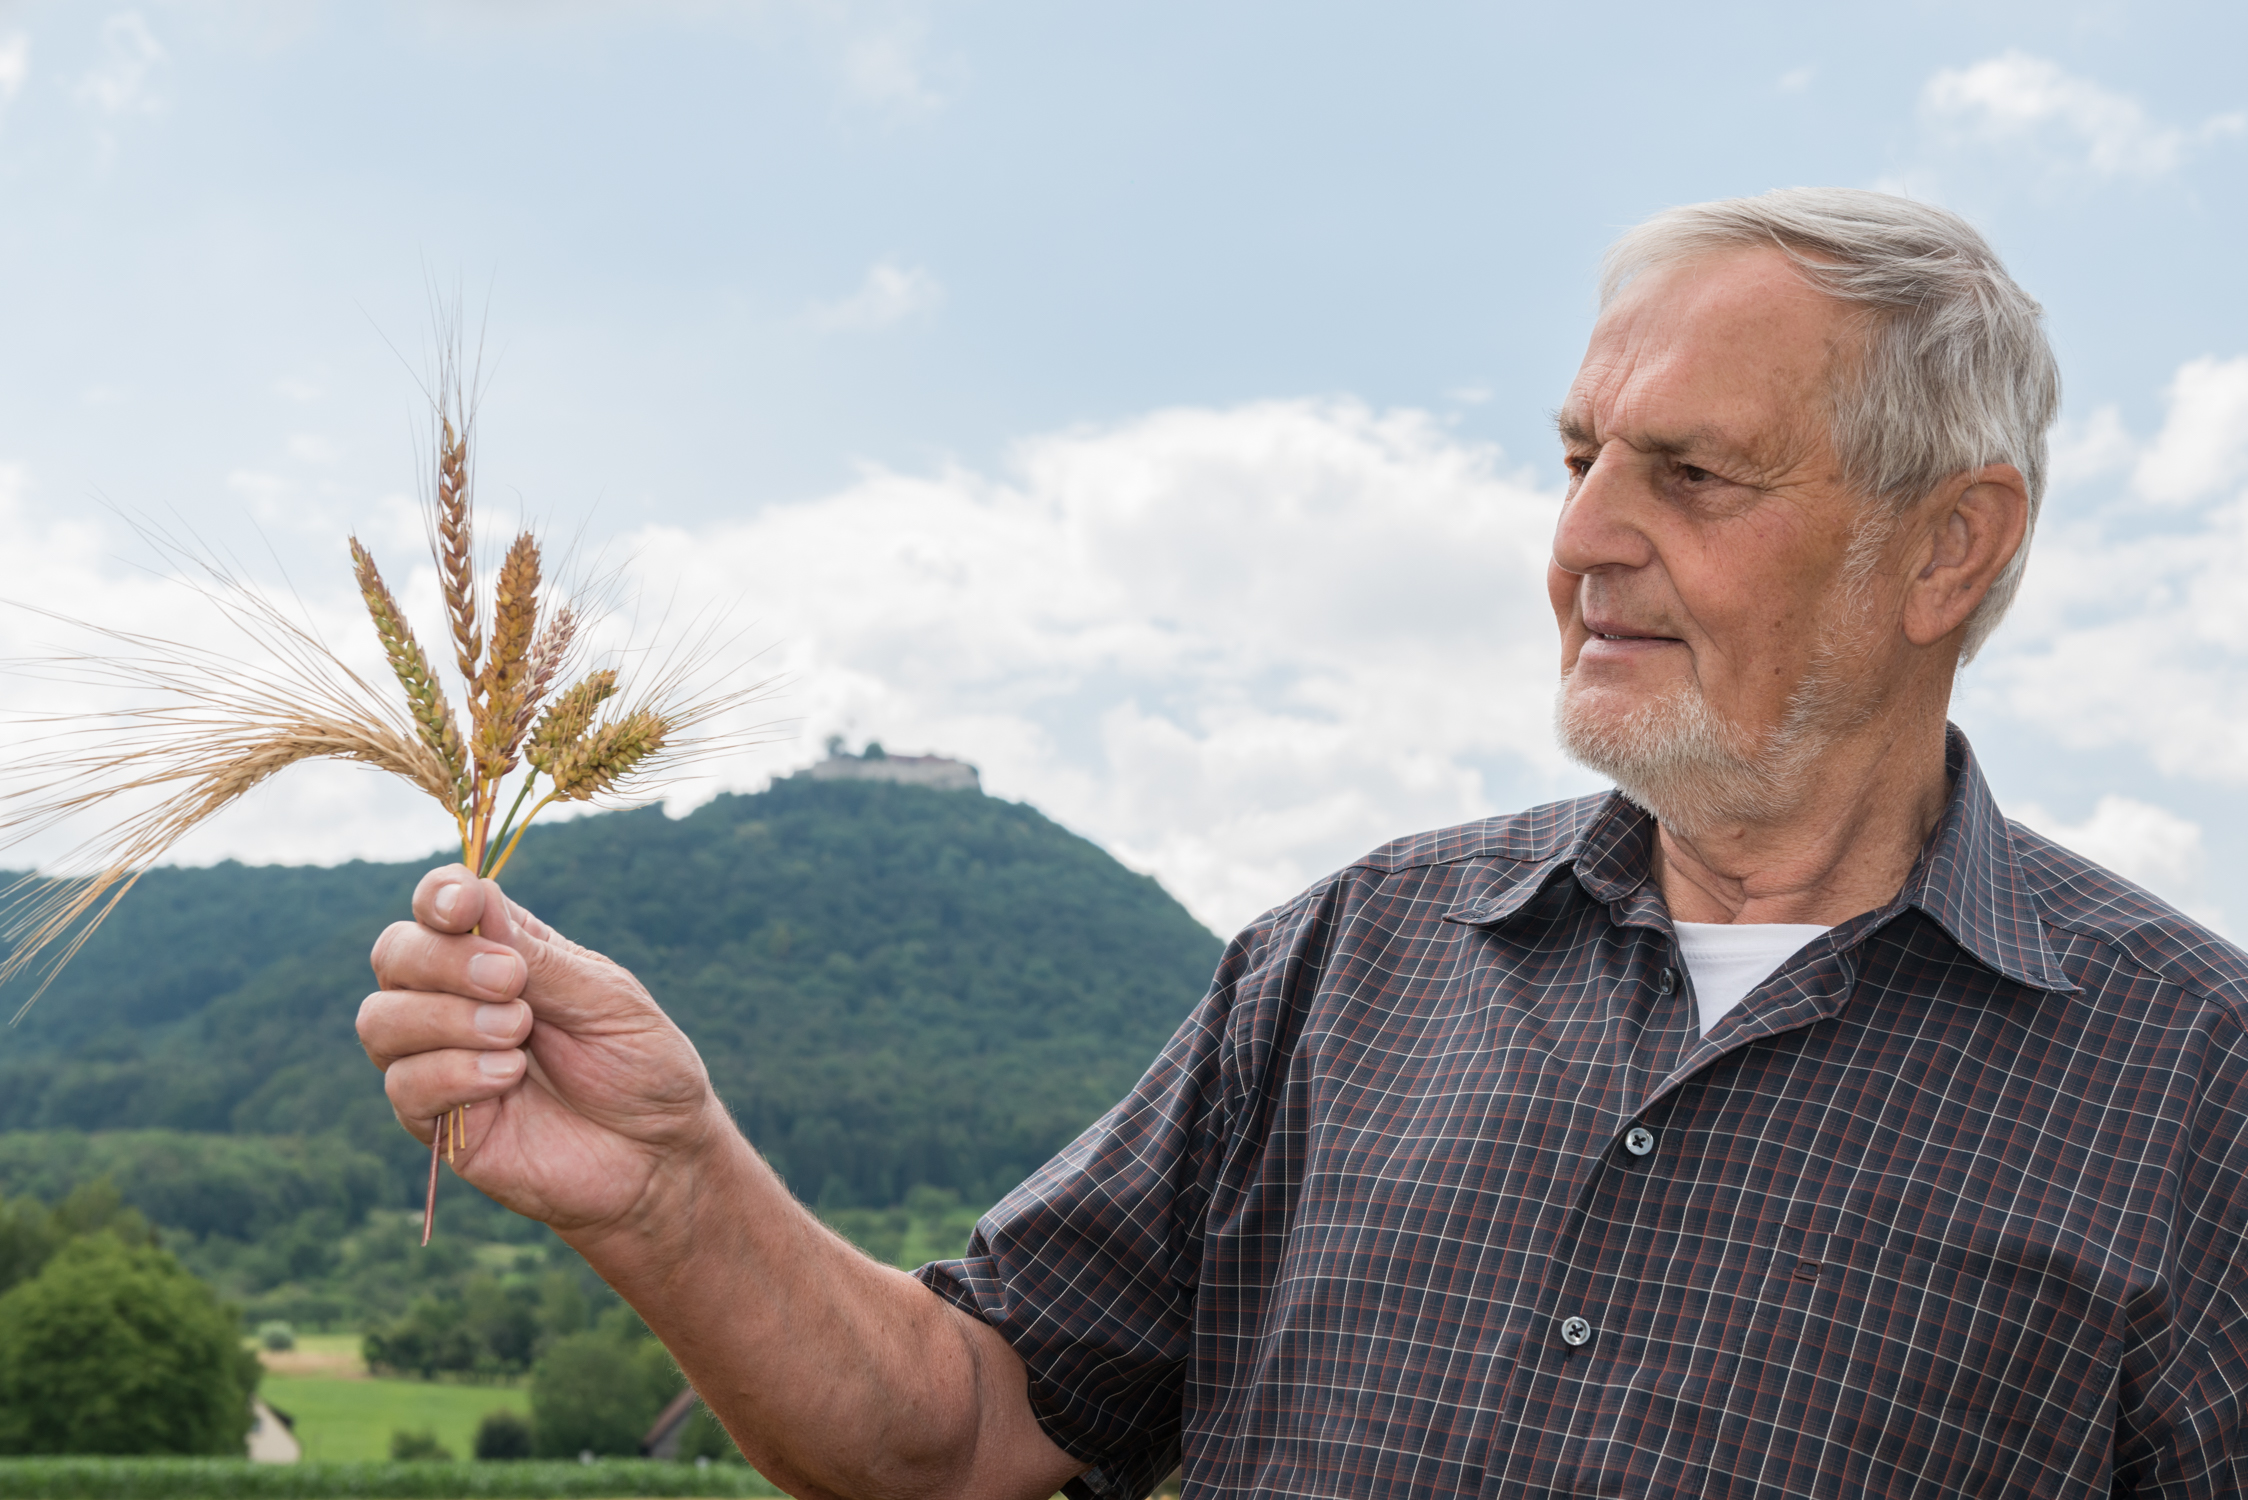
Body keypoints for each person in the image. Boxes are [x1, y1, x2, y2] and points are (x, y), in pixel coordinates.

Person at [357, 188, 2248, 1499]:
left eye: (1692, 473)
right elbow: (959, 1442)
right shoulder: (1355, 957)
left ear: (1950, 547)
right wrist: (672, 1190)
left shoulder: (2193, 1080)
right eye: (1575, 454)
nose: (1582, 537)